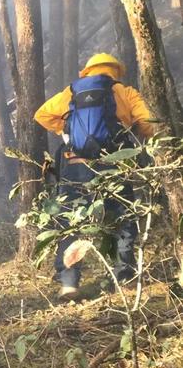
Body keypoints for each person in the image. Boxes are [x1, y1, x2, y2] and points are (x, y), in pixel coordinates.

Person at [34, 53, 154, 301]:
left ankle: (69, 283)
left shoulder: (71, 92)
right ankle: (123, 278)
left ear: (87, 72)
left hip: (75, 164)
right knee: (122, 218)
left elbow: (42, 115)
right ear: (115, 72)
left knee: (72, 220)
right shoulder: (125, 92)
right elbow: (148, 124)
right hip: (114, 165)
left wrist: (67, 131)